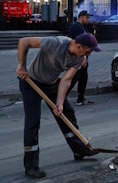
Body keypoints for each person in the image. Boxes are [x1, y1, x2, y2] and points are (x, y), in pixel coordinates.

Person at [16, 33, 102, 179]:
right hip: (31, 82)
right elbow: (24, 41)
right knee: (33, 122)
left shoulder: (80, 58)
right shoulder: (55, 43)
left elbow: (67, 80)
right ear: (79, 46)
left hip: (51, 84)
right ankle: (31, 166)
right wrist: (22, 66)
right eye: (88, 50)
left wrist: (60, 103)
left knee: (66, 113)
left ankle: (79, 149)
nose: (89, 54)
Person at [67, 11, 94, 106]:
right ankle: (61, 96)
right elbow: (80, 44)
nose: (88, 20)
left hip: (80, 57)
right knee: (74, 78)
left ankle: (80, 98)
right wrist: (84, 58)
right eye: (86, 18)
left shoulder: (81, 27)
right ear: (81, 17)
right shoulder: (76, 27)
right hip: (77, 57)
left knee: (83, 77)